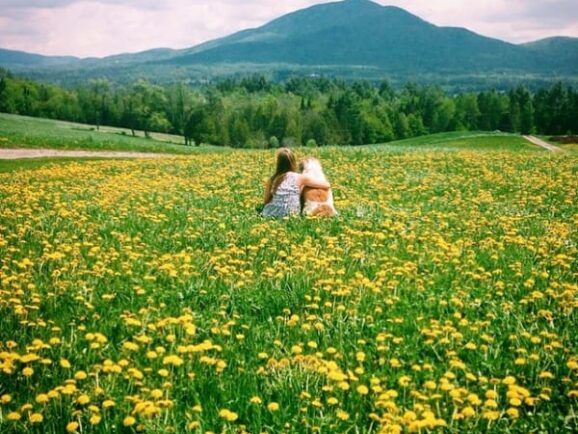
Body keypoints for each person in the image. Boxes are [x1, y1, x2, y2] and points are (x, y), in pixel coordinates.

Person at [262, 148, 330, 218]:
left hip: (271, 214)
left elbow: (266, 201)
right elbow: (327, 185)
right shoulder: (300, 178)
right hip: (292, 214)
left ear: (278, 163)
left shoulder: (272, 179)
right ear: (293, 162)